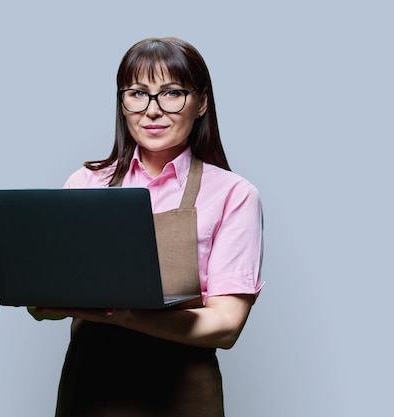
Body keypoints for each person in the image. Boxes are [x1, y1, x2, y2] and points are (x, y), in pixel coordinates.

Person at [29, 36, 263, 417]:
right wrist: (42, 301)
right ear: (122, 103)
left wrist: (126, 316)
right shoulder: (85, 184)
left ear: (201, 102)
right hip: (91, 391)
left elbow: (226, 325)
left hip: (184, 395)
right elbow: (53, 302)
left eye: (171, 93)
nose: (152, 110)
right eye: (138, 93)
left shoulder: (233, 194)